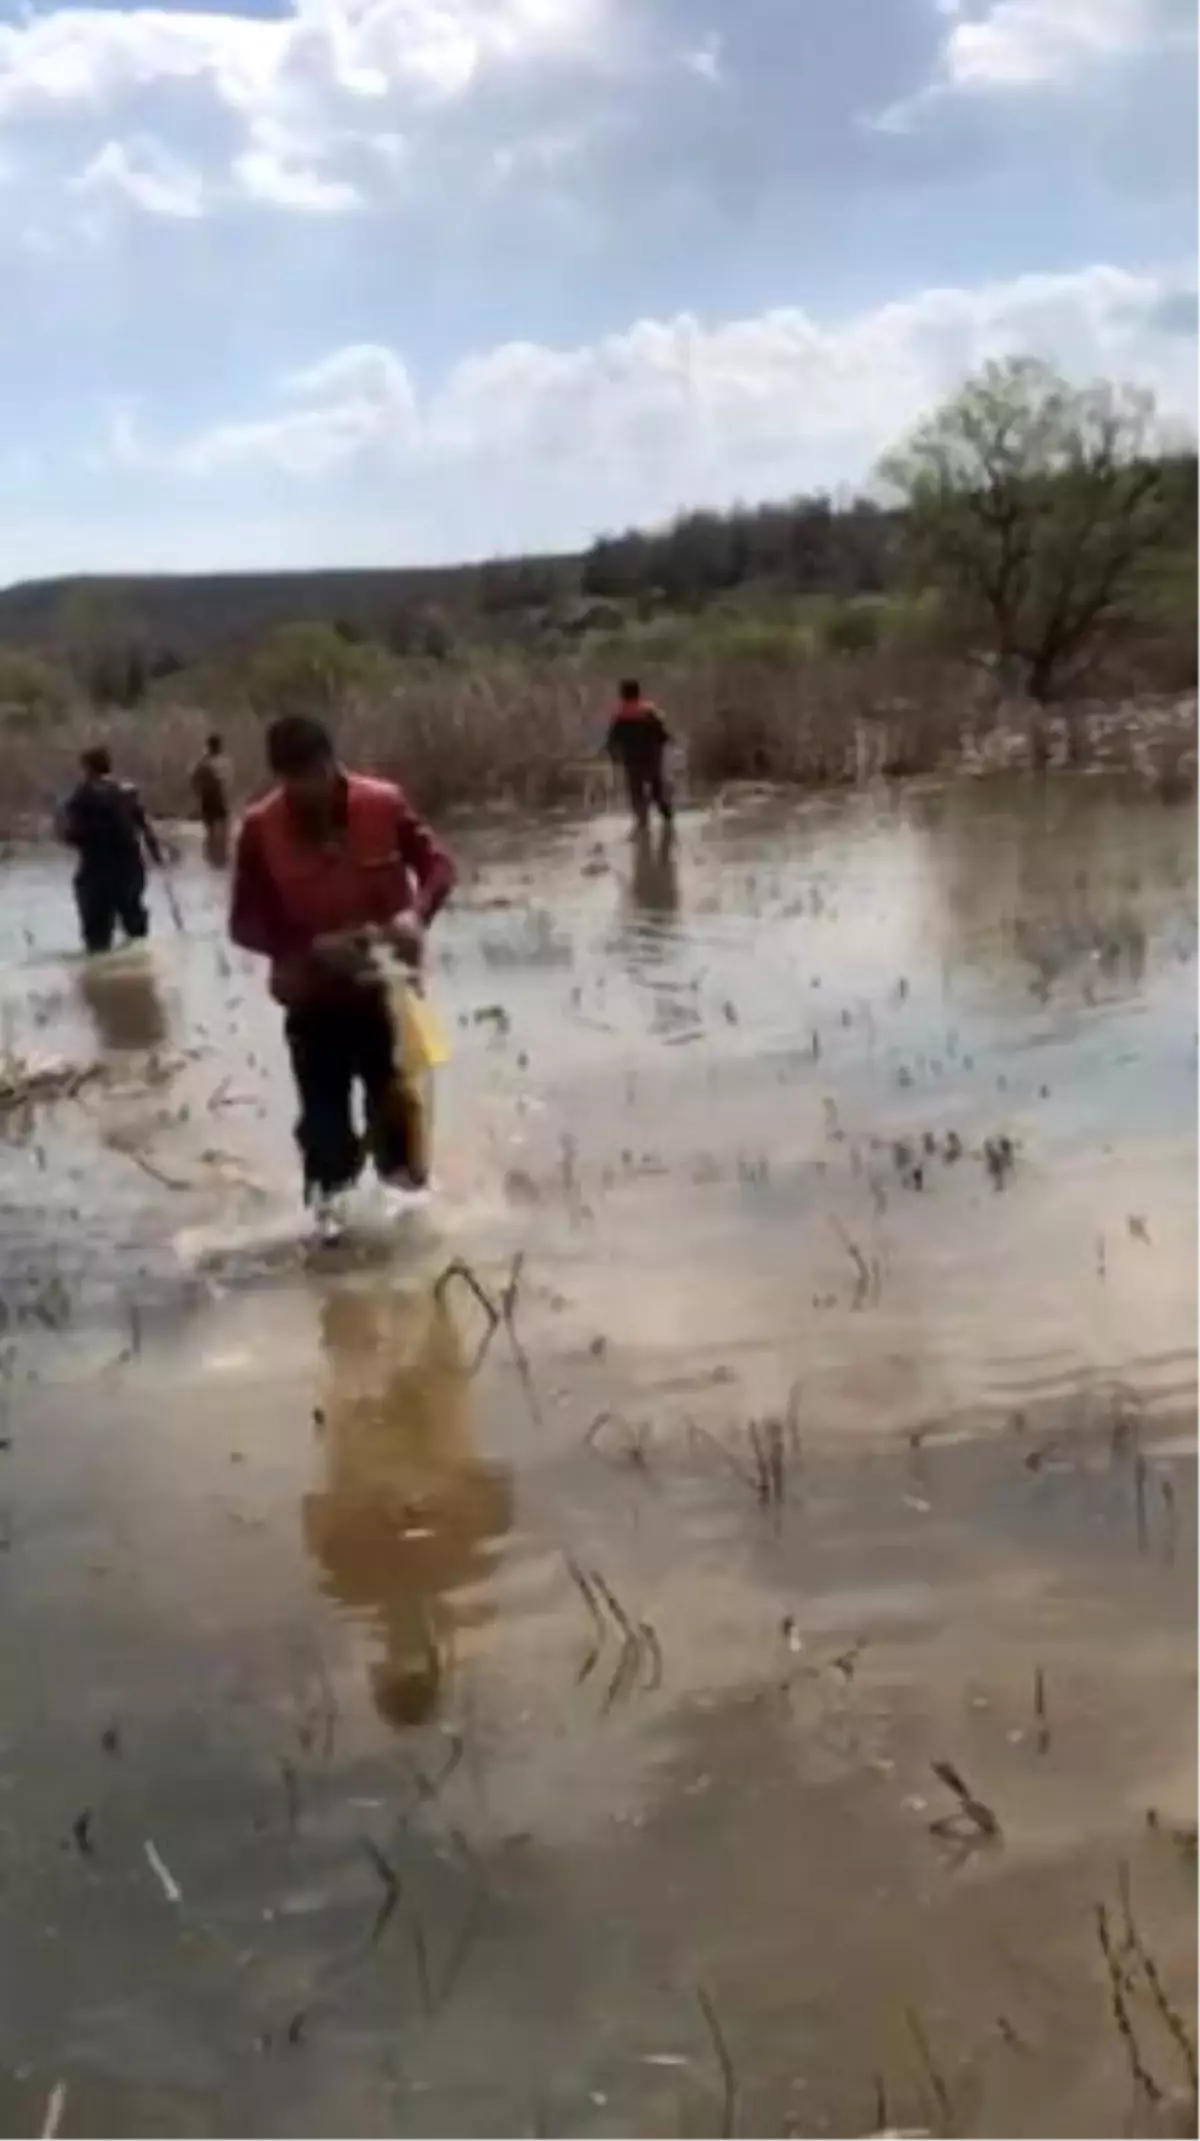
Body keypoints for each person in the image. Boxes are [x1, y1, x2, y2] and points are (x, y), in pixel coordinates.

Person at [229, 714, 456, 1230]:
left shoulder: (384, 803)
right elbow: (243, 922)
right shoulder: (261, 829)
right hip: (315, 1001)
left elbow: (440, 868)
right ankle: (331, 1237)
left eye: (314, 779)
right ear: (278, 778)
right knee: (325, 1134)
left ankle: (410, 1240)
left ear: (333, 764)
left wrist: (415, 915)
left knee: (398, 1125)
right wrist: (308, 946)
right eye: (293, 785)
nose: (306, 795)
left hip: (389, 995)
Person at [59, 745, 164, 956]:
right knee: (135, 925)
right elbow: (145, 828)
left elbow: (69, 833)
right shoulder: (127, 792)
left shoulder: (82, 795)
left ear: (87, 768)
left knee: (97, 938)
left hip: (96, 869)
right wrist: (157, 856)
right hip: (129, 868)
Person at [605, 677, 674, 834]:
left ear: (622, 695)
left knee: (636, 792)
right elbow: (662, 735)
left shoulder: (619, 716)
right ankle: (668, 821)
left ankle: (642, 823)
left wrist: (613, 756)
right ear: (638, 693)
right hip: (652, 758)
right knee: (658, 790)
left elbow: (612, 740)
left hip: (632, 760)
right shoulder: (649, 711)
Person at [191, 732, 232, 868]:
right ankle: (219, 856)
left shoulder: (204, 762)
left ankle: (212, 856)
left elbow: (195, 780)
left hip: (207, 799)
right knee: (221, 827)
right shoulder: (224, 761)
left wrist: (198, 796)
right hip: (219, 798)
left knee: (211, 828)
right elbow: (227, 781)